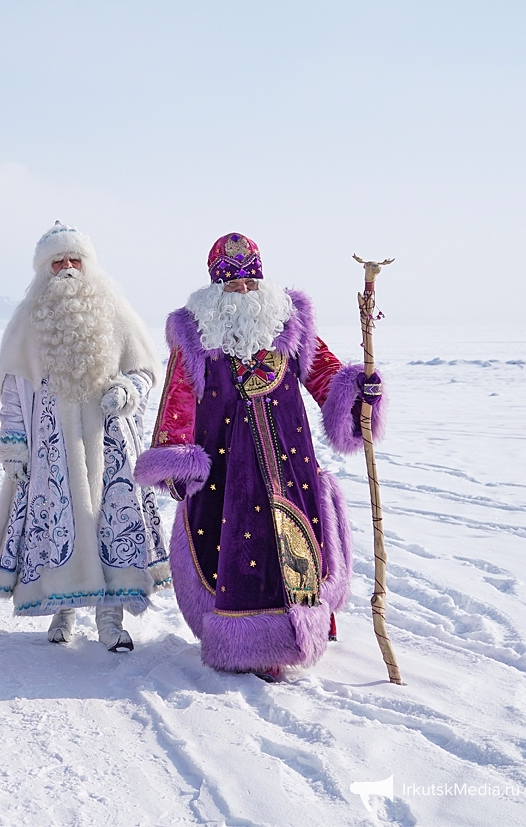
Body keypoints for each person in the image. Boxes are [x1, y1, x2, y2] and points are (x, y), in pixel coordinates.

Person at [134, 232, 384, 681]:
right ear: (214, 290)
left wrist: (359, 394)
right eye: (232, 285)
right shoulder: (194, 334)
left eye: (251, 282)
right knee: (244, 548)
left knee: (303, 539)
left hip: (292, 462)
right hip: (230, 471)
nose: (243, 292)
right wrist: (176, 455)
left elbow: (325, 375)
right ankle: (256, 641)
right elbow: (179, 397)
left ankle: (310, 617)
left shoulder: (291, 322)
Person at [0, 222, 170, 651]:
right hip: (52, 448)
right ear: (44, 268)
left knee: (110, 524)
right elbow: (13, 388)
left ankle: (110, 617)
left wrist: (127, 390)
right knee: (59, 524)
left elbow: (144, 369)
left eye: (74, 260)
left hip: (109, 441)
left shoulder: (114, 308)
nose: (66, 269)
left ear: (87, 263)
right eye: (56, 261)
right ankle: (63, 606)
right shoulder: (29, 317)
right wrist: (13, 443)